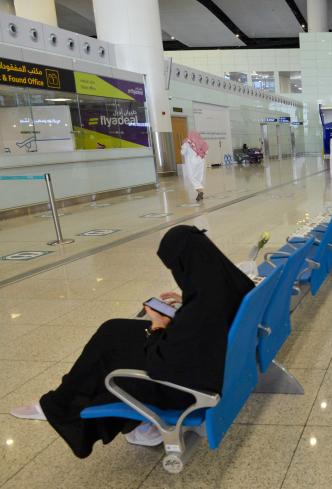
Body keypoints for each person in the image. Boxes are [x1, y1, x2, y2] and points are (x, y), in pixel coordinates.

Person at [11, 225, 254, 458]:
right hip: (214, 362)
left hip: (187, 389)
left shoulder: (202, 309)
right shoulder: (228, 282)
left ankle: (60, 404)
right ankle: (131, 423)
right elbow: (207, 322)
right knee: (114, 332)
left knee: (109, 352)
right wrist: (186, 302)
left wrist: (158, 326)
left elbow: (161, 365)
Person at [181, 130, 208, 201]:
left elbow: (182, 153)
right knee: (198, 177)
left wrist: (183, 145)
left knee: (192, 177)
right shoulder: (202, 142)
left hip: (191, 163)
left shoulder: (187, 143)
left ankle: (200, 190)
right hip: (200, 162)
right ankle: (199, 193)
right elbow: (206, 152)